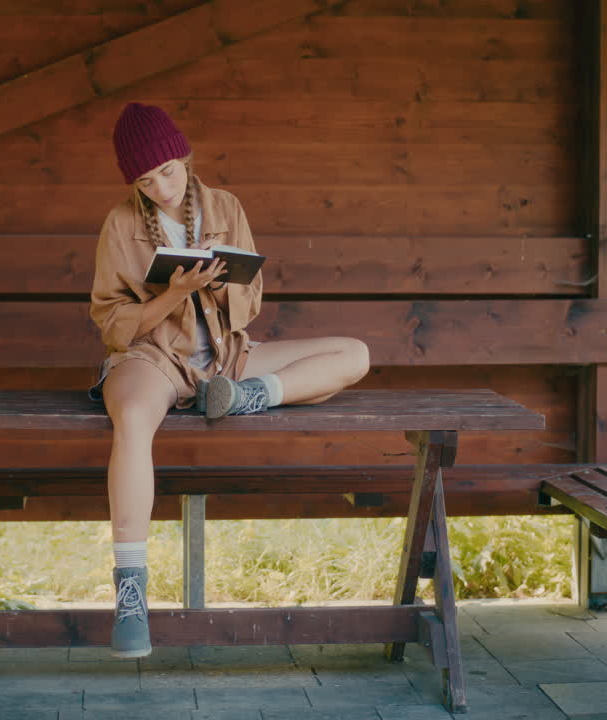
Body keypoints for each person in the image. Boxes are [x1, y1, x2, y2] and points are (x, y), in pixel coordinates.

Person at [88, 102, 370, 658]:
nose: (161, 188)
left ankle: (247, 398)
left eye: (168, 171)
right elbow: (112, 326)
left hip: (228, 357)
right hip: (153, 359)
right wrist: (172, 291)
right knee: (135, 417)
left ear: (185, 158)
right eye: (146, 180)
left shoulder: (225, 206)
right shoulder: (121, 224)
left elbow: (249, 306)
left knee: (353, 353)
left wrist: (216, 285)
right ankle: (130, 592)